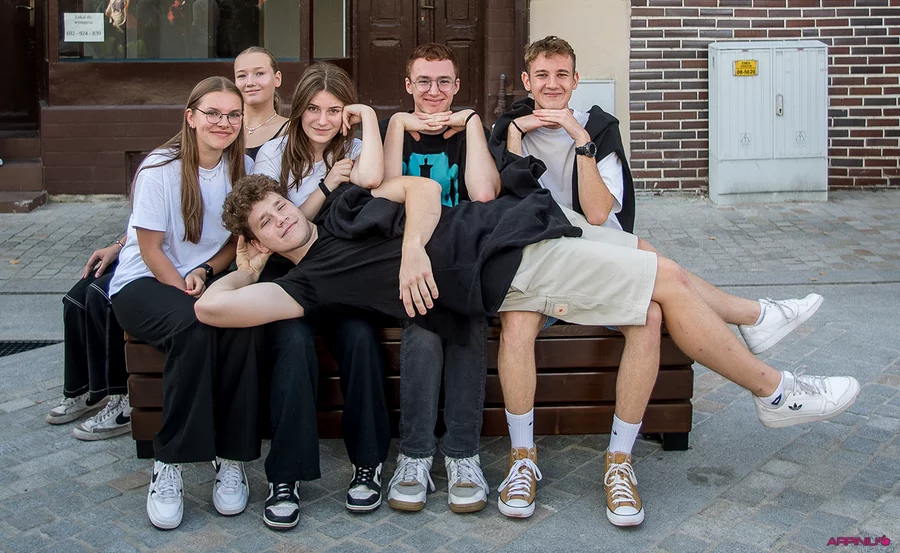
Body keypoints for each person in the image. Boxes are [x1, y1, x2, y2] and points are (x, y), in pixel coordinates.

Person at [199, 171, 860, 530]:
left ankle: (757, 319)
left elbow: (422, 191)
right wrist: (246, 270)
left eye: (280, 205)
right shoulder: (306, 285)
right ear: (260, 239)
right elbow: (211, 309)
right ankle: (774, 389)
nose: (283, 218)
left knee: (663, 272)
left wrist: (410, 251)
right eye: (267, 223)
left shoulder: (343, 205)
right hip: (507, 272)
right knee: (663, 284)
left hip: (510, 227)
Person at [487, 36, 827, 524]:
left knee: (648, 315)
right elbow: (507, 205)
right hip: (537, 265)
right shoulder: (508, 130)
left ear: (576, 80)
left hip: (592, 259)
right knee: (519, 321)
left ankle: (619, 462)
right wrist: (516, 136)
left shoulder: (597, 128)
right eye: (542, 75)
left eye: (561, 74)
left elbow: (600, 213)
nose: (552, 84)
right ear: (526, 81)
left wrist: (579, 139)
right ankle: (523, 459)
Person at [108, 76, 263, 531]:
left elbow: (234, 243)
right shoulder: (159, 168)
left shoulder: (243, 167)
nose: (223, 122)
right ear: (191, 117)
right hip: (144, 282)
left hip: (202, 282)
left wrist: (207, 273)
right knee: (194, 326)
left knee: (242, 327)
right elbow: (150, 249)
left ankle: (230, 457)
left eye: (233, 115)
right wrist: (184, 291)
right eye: (213, 113)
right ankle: (169, 462)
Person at [250, 62, 390, 528]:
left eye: (334, 110)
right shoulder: (273, 154)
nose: (323, 120)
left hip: (341, 269)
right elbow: (276, 224)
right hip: (288, 272)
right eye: (313, 109)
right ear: (299, 110)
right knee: (292, 346)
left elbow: (374, 183)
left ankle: (368, 463)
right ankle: (285, 475)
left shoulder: (356, 149)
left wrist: (365, 119)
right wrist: (328, 185)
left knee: (361, 338)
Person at [379, 43, 499, 514]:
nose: (434, 91)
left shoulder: (468, 132)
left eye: (444, 81)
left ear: (457, 85)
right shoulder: (395, 131)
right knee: (423, 321)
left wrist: (472, 125)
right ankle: (415, 455)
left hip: (461, 254)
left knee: (467, 316)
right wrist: (396, 124)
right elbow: (383, 192)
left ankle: (463, 455)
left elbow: (483, 194)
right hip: (405, 254)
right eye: (424, 81)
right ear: (408, 85)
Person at [45, 236, 132, 441]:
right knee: (75, 300)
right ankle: (87, 390)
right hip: (135, 249)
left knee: (100, 297)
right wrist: (119, 246)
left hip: (159, 255)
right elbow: (141, 221)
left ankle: (124, 400)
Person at [234, 46, 289, 161]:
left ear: (277, 79)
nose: (250, 82)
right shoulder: (225, 127)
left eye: (259, 73)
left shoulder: (293, 130)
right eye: (242, 75)